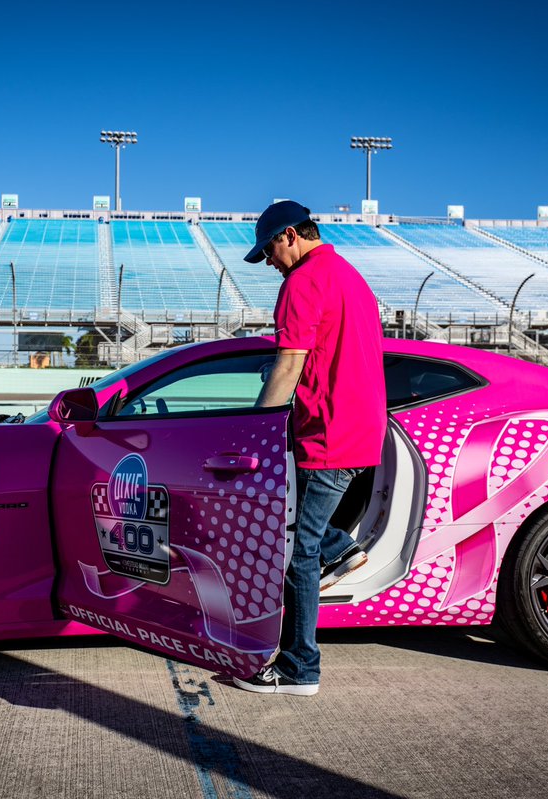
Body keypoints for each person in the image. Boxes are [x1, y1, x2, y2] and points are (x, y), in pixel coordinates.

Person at [232, 201, 386, 696]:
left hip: (327, 435)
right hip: (361, 432)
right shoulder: (352, 277)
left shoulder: (301, 282)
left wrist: (251, 433)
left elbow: (289, 365)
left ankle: (300, 669)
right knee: (307, 534)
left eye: (270, 250)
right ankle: (342, 547)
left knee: (297, 554)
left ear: (292, 235)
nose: (270, 262)